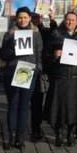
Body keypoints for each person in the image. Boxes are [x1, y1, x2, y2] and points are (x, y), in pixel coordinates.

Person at [0, 7, 43, 151]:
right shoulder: (10, 33)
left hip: (28, 70)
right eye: (20, 17)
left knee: (24, 106)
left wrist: (37, 69)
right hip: (13, 70)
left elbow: (39, 52)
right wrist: (12, 49)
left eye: (25, 17)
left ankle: (20, 137)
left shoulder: (36, 33)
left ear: (30, 18)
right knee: (13, 104)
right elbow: (4, 55)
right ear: (16, 19)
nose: (22, 20)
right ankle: (11, 136)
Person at [45, 11, 77, 147]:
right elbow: (46, 55)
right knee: (59, 107)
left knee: (75, 107)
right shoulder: (56, 34)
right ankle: (59, 133)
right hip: (61, 76)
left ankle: (71, 133)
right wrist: (54, 55)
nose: (70, 22)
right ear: (64, 21)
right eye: (68, 20)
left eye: (72, 20)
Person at [29, 10, 57, 142]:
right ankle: (32, 129)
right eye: (34, 16)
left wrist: (52, 20)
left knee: (41, 100)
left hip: (42, 71)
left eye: (38, 16)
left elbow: (54, 35)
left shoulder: (43, 30)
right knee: (31, 102)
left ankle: (39, 127)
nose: (36, 19)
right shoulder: (23, 30)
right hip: (27, 69)